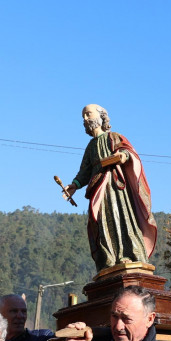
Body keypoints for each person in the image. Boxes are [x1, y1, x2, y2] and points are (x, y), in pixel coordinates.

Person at [62, 104, 157, 272]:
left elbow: (129, 152)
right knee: (102, 222)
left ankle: (128, 255)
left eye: (88, 114)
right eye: (83, 116)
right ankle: (109, 260)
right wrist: (74, 185)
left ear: (101, 116)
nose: (85, 119)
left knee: (121, 217)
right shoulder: (91, 147)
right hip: (98, 188)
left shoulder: (114, 137)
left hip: (116, 187)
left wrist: (123, 156)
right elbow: (84, 171)